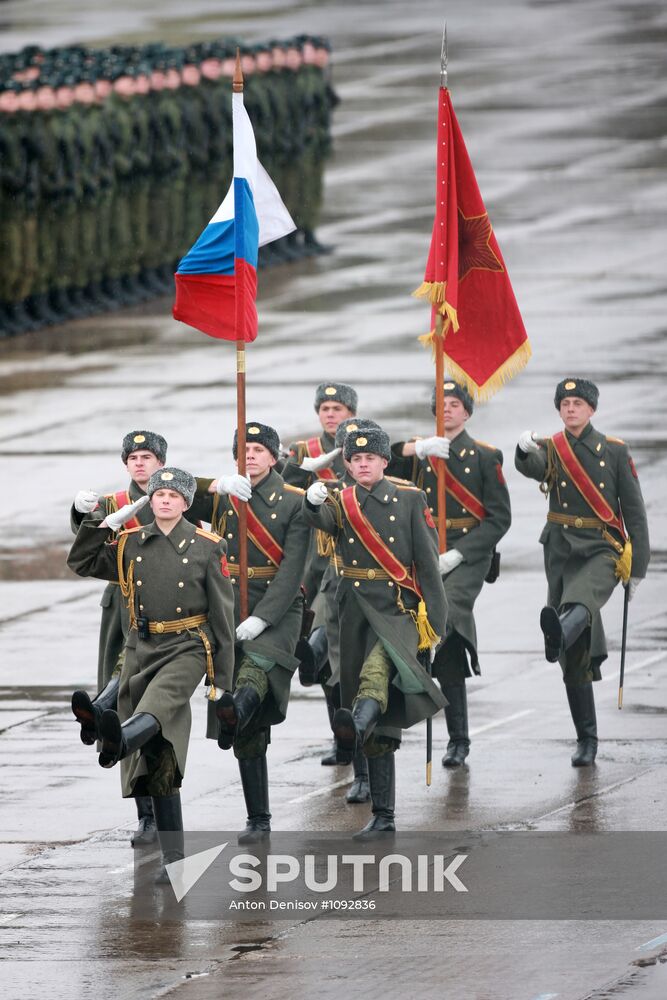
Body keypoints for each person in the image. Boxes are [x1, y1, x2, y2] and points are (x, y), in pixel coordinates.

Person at [67, 467, 235, 881]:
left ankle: (120, 741)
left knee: (159, 706)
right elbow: (82, 562)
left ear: (185, 503)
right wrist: (102, 526)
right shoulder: (130, 542)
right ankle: (174, 862)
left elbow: (223, 618)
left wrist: (222, 683)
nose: (164, 500)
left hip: (188, 647)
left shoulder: (208, 547)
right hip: (142, 648)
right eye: (159, 494)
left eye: (173, 496)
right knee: (162, 759)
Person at [303, 424, 447, 838]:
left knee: (375, 677)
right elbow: (322, 520)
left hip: (397, 611)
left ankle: (354, 723)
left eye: (370, 458)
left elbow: (428, 565)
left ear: (385, 461)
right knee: (378, 720)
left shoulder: (409, 498)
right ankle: (383, 814)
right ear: (348, 464)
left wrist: (435, 627)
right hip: (354, 613)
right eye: (356, 459)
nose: (363, 464)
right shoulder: (340, 499)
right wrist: (313, 500)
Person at [515, 378, 650, 766]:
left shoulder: (614, 450)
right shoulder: (552, 447)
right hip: (561, 552)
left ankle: (556, 633)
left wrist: (638, 568)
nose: (570, 408)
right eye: (565, 403)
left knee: (581, 599)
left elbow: (635, 513)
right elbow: (533, 468)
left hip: (602, 549)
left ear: (592, 409)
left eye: (577, 403)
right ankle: (586, 739)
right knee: (575, 654)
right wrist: (523, 450)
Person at [195, 423, 310, 842]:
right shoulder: (225, 495)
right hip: (229, 605)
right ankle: (258, 818)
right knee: (250, 725)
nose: (250, 456)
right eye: (243, 450)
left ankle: (235, 712)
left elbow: (293, 568)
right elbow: (169, 489)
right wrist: (216, 485)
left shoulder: (294, 501)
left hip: (278, 609)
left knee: (255, 674)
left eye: (259, 450)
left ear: (274, 457)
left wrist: (264, 617)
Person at [390, 382, 511, 767]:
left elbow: (499, 519)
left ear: (467, 412)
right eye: (441, 404)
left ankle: (424, 660)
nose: (447, 409)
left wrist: (460, 553)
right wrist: (416, 449)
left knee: (449, 612)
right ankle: (458, 738)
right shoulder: (422, 451)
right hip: (425, 553)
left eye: (455, 404)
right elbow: (381, 463)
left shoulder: (485, 457)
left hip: (467, 555)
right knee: (449, 649)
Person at [70, 429, 169, 845]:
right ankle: (145, 816)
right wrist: (79, 513)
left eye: (147, 457)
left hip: (164, 611)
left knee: (150, 711)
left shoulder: (173, 498)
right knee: (124, 714)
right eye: (133, 458)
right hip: (123, 612)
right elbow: (85, 546)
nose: (139, 463)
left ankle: (98, 707)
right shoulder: (114, 503)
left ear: (161, 463)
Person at [283, 382, 359, 763]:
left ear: (351, 413)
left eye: (337, 408)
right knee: (326, 657)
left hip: (346, 554)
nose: (330, 414)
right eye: (324, 408)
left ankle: (351, 737)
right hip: (312, 555)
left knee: (333, 646)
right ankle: (340, 737)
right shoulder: (305, 451)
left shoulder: (362, 446)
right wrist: (299, 468)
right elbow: (284, 490)